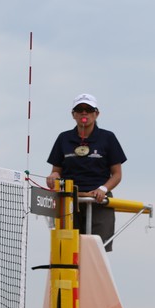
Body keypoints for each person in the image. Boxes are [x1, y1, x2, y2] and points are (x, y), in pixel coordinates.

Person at [46, 93, 127, 251]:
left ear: (96, 113)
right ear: (73, 114)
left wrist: (103, 189)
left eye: (89, 109)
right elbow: (56, 171)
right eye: (80, 109)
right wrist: (53, 177)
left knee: (96, 249)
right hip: (70, 200)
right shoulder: (63, 138)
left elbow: (117, 174)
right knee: (68, 248)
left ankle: (93, 276)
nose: (84, 113)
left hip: (98, 201)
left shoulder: (107, 138)